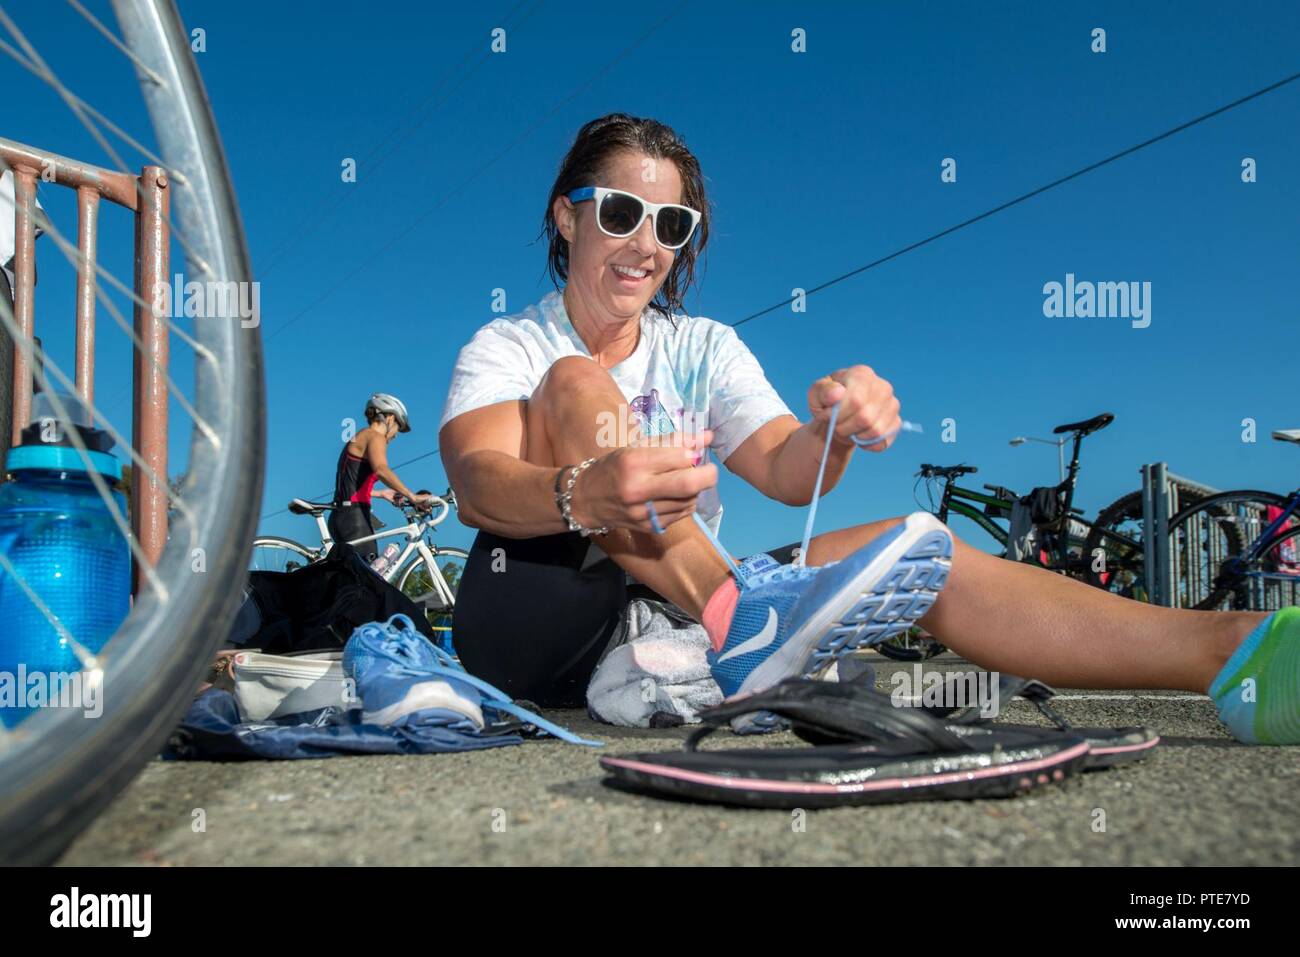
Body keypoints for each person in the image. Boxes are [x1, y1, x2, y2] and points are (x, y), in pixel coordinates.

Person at [438, 113, 1297, 745]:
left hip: (675, 614)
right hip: (538, 612)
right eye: (621, 213)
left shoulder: (703, 346)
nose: (646, 245)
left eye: (673, 226)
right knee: (572, 381)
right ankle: (742, 622)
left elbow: (783, 467)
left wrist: (837, 427)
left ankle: (1235, 652)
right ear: (566, 216)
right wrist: (583, 490)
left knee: (918, 547)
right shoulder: (514, 343)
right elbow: (475, 482)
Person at [331, 393, 432, 562]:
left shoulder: (361, 436)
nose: (396, 435)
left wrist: (381, 493)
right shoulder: (374, 436)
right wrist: (412, 496)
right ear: (390, 418)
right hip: (354, 518)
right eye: (398, 428)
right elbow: (381, 470)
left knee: (351, 580)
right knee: (367, 580)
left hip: (343, 515)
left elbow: (351, 483)